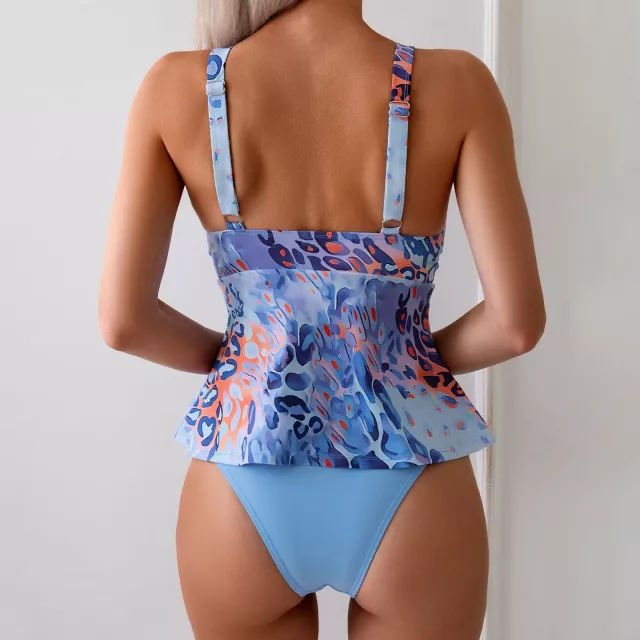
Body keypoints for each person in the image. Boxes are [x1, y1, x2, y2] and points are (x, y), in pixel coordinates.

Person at [98, 0, 545, 637]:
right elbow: (515, 323)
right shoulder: (458, 85)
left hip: (243, 472)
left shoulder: (176, 86)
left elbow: (124, 321)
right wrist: (402, 363)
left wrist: (244, 361)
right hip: (411, 477)